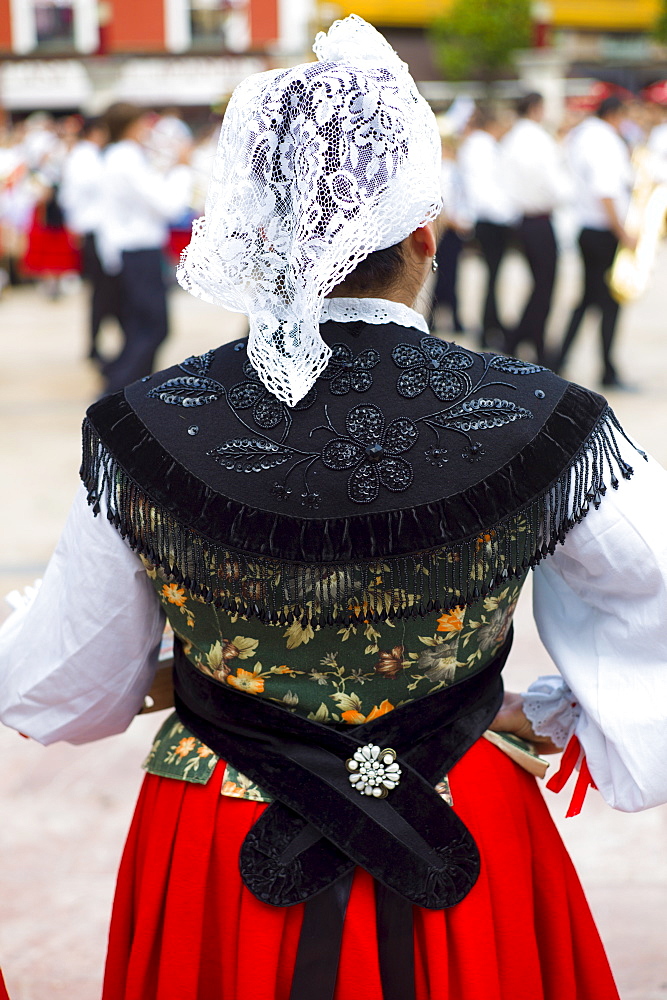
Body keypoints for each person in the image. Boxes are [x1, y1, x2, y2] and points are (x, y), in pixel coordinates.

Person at [1, 17, 667, 1000]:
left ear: (251, 232)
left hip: (221, 825)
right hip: (462, 800)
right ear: (425, 238)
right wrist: (559, 706)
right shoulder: (545, 417)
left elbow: (57, 685)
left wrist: (159, 675)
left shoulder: (143, 423)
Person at [95, 102, 193, 395]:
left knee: (140, 327)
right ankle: (120, 390)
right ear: (131, 125)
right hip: (139, 250)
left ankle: (131, 390)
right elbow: (168, 206)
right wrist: (181, 170)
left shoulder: (119, 156)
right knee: (154, 327)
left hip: (133, 250)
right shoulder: (126, 158)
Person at [554, 97, 635, 387]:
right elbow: (607, 190)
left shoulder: (585, 134)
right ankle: (607, 370)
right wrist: (623, 231)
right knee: (609, 302)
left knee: (588, 299)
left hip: (588, 228)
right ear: (615, 113)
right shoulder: (604, 140)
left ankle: (558, 358)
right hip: (604, 232)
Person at [500, 92, 570, 364]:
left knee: (539, 284)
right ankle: (529, 342)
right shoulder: (537, 139)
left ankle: (526, 339)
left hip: (522, 219)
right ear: (535, 108)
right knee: (545, 286)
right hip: (539, 218)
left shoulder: (512, 139)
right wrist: (566, 195)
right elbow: (553, 183)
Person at [58, 116, 122, 364]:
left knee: (103, 292)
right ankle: (95, 345)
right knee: (103, 292)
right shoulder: (86, 157)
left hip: (95, 231)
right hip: (94, 232)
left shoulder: (86, 156)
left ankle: (97, 343)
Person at [457, 104, 515, 348]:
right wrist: (508, 214)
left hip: (487, 218)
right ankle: (489, 326)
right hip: (491, 219)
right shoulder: (483, 146)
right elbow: (486, 189)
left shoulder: (477, 145)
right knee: (493, 277)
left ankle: (491, 323)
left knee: (492, 277)